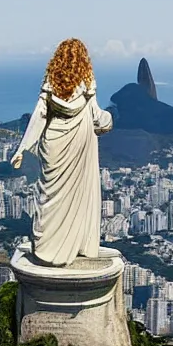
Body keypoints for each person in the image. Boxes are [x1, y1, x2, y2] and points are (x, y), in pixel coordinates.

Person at [10, 37, 114, 266]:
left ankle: (47, 249)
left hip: (54, 143)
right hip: (80, 143)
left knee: (49, 197)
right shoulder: (86, 82)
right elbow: (96, 115)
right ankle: (76, 246)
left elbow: (39, 116)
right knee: (78, 196)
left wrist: (22, 148)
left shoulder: (51, 82)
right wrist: (109, 120)